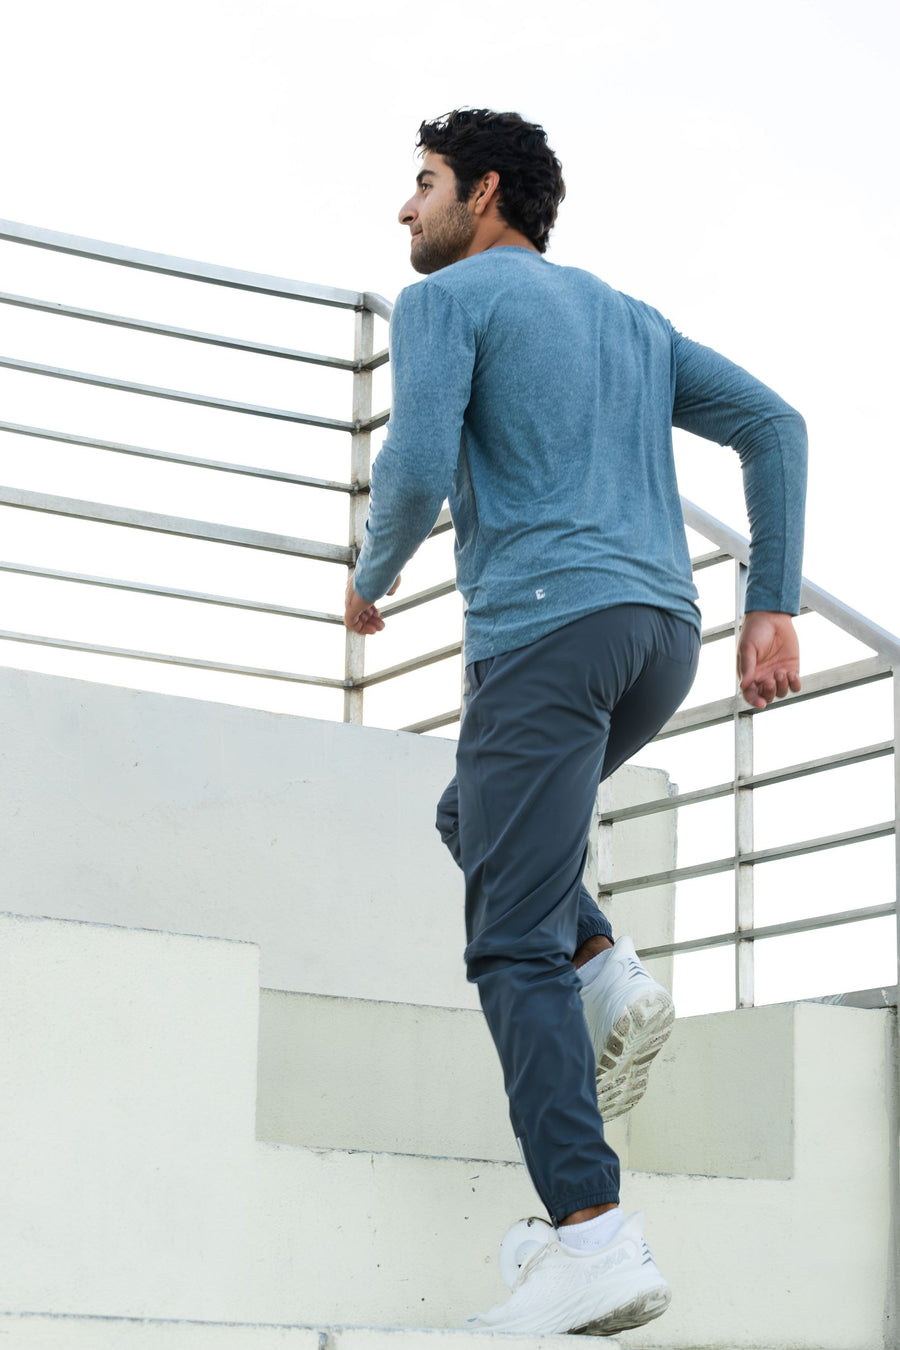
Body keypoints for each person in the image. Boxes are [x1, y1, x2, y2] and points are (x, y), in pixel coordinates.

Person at [343, 108, 806, 1336]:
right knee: (475, 817)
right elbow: (775, 424)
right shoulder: (630, 319)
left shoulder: (445, 302)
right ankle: (606, 970)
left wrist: (371, 576)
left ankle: (592, 1236)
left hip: (549, 634)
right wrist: (768, 605)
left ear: (485, 192)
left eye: (425, 183)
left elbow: (416, 468)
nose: (406, 208)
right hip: (658, 638)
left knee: (509, 943)